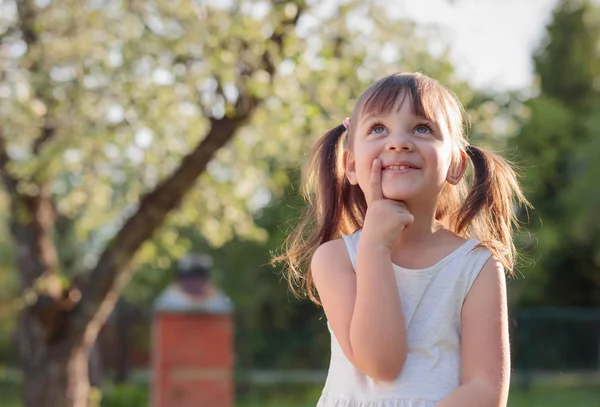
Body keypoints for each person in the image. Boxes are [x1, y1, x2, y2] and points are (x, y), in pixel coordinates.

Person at [275, 72, 530, 407]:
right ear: (350, 165)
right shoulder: (335, 258)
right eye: (378, 129)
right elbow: (382, 363)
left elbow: (485, 390)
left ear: (455, 165)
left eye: (422, 128)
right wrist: (375, 247)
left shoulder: (475, 264)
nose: (399, 142)